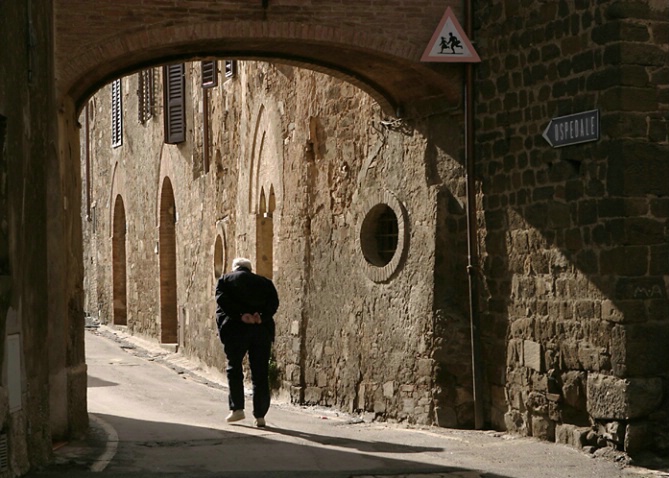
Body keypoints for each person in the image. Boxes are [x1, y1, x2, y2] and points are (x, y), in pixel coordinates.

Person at [215, 257, 279, 427]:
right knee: (260, 372)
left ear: (235, 268)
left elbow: (222, 301)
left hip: (236, 330)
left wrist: (241, 315)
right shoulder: (265, 283)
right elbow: (274, 303)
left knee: (234, 368)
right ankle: (260, 416)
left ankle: (237, 409)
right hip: (261, 331)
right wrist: (261, 316)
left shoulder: (225, 280)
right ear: (250, 269)